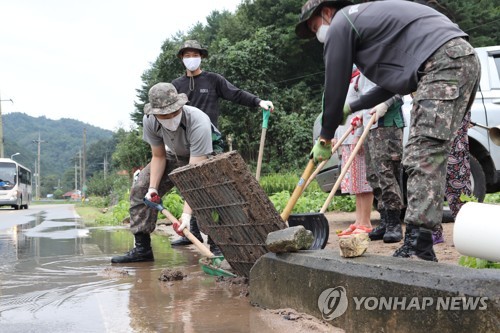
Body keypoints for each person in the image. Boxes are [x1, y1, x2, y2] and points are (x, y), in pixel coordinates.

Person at [297, 0, 480, 262]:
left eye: (315, 28)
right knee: (431, 152)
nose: (319, 36)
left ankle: (418, 244)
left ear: (326, 12)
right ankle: (423, 243)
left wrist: (325, 136)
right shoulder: (371, 28)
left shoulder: (341, 22)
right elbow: (391, 85)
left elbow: (334, 83)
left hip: (445, 62)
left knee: (422, 154)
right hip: (459, 58)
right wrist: (353, 106)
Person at [169, 40, 274, 248]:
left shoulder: (213, 80)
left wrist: (257, 101)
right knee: (190, 188)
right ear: (182, 58)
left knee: (211, 188)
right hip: (184, 142)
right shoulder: (176, 86)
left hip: (209, 141)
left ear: (201, 57)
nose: (191, 58)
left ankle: (218, 240)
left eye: (195, 54)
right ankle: (194, 232)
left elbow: (235, 93)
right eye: (187, 55)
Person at [111, 82, 220, 263]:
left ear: (180, 106)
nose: (169, 117)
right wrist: (152, 188)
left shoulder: (198, 120)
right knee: (140, 188)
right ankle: (142, 249)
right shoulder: (150, 120)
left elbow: (193, 174)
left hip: (206, 154)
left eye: (173, 112)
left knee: (206, 194)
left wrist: (185, 215)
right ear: (155, 113)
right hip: (174, 153)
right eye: (163, 114)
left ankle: (217, 247)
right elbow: (159, 156)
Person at [335, 66, 373, 237]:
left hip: (357, 136)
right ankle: (358, 221)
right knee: (355, 184)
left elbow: (363, 109)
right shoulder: (347, 82)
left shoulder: (362, 79)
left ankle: (366, 222)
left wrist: (360, 134)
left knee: (363, 181)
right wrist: (335, 135)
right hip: (346, 138)